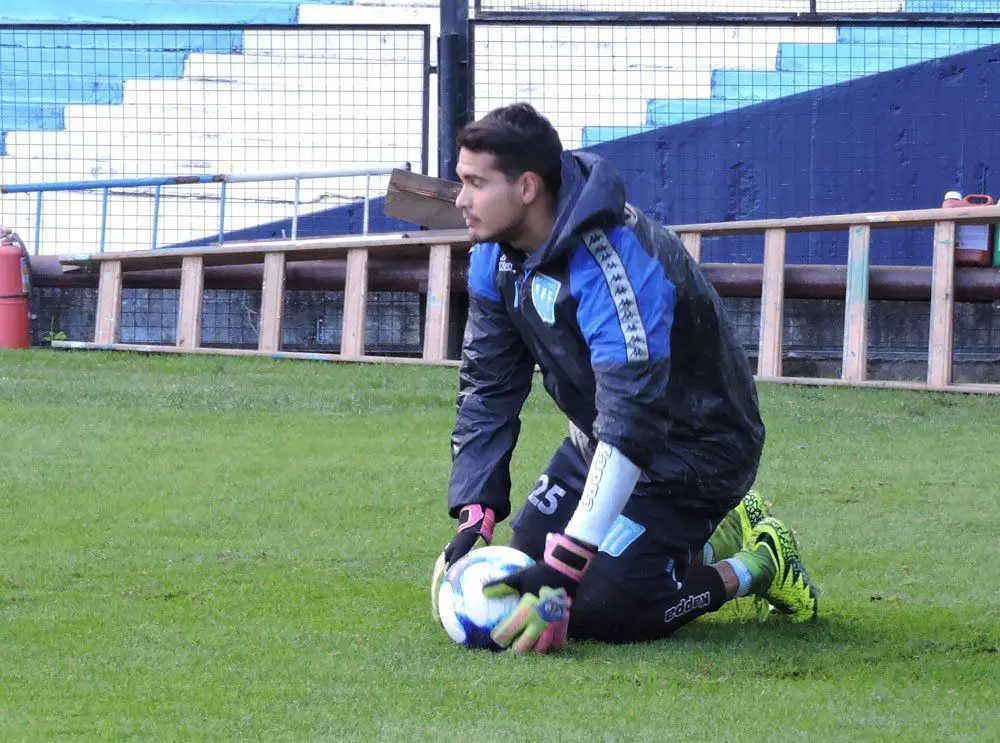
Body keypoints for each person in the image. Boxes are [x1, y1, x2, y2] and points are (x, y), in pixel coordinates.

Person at [437, 102, 817, 654]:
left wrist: (568, 565)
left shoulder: (614, 264)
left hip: (694, 456)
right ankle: (698, 540)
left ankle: (760, 561)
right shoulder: (493, 258)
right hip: (600, 441)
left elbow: (633, 415)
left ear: (526, 188)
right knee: (527, 564)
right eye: (460, 181)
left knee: (596, 606)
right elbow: (488, 386)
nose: (459, 200)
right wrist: (477, 509)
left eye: (475, 183)